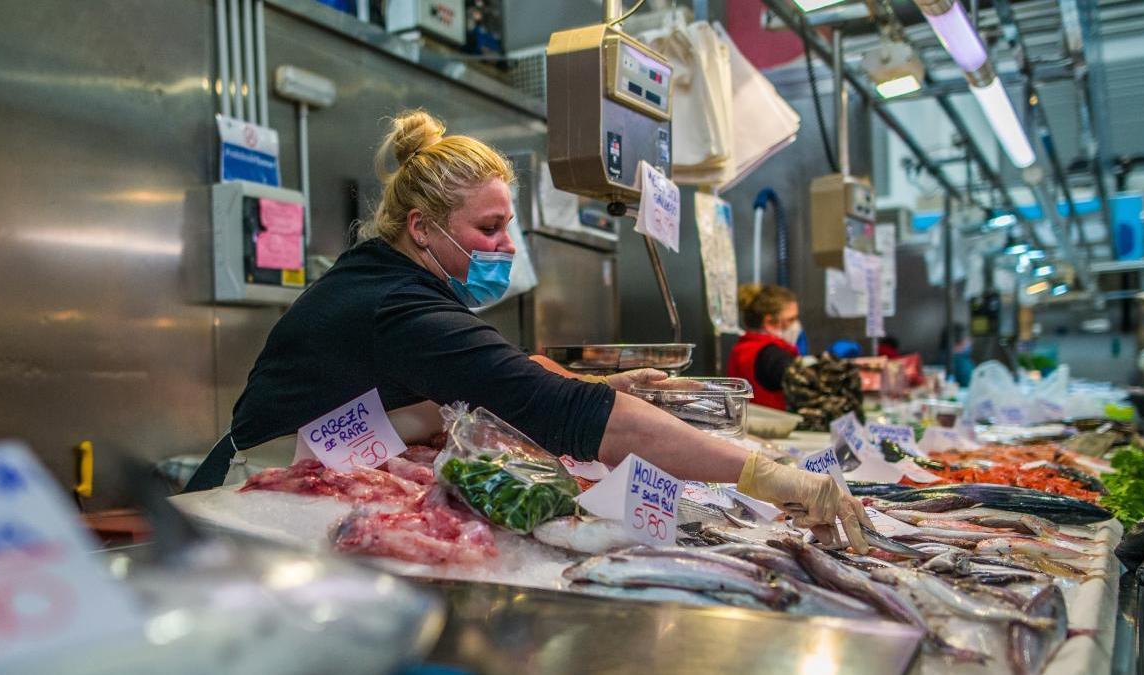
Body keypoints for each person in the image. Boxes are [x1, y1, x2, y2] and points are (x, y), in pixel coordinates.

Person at [186, 110, 870, 551]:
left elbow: (502, 374)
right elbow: (563, 410)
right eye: (489, 227)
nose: (508, 244)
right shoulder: (401, 307)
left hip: (314, 484)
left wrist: (595, 379)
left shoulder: (392, 281)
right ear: (422, 229)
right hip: (258, 505)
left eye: (507, 223)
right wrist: (770, 476)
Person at [727, 283, 801, 411]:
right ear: (769, 322)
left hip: (747, 423)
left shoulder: (743, 347)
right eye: (790, 319)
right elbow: (804, 383)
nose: (796, 325)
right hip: (774, 426)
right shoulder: (772, 354)